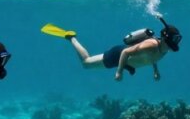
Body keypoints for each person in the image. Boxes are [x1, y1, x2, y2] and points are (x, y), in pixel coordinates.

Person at [41, 16, 181, 82]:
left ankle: (71, 38)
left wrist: (156, 71)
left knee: (87, 65)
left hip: (128, 63)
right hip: (118, 55)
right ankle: (71, 37)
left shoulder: (165, 49)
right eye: (171, 43)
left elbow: (153, 57)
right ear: (164, 39)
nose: (172, 47)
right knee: (86, 63)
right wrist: (119, 72)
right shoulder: (151, 45)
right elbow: (126, 52)